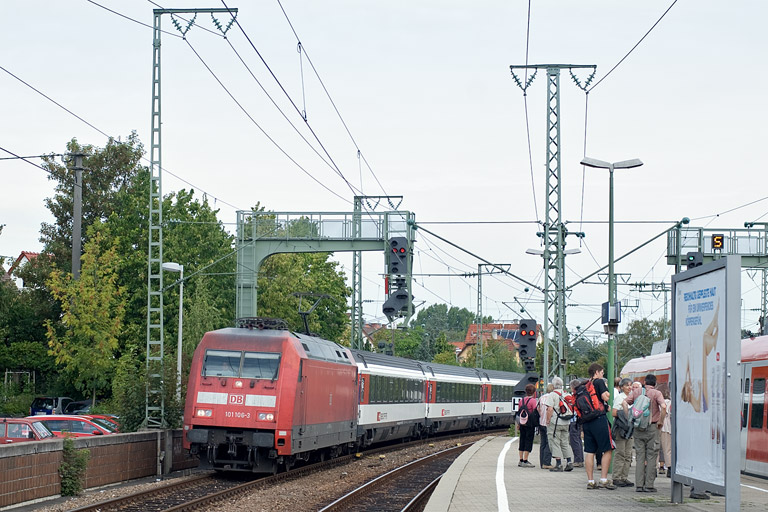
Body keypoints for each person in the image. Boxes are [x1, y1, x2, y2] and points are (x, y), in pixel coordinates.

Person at [623, 373, 667, 493]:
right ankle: (649, 485)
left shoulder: (637, 392)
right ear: (655, 383)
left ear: (645, 382)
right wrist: (661, 421)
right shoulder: (656, 393)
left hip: (638, 428)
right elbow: (663, 407)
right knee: (652, 456)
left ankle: (639, 485)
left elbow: (624, 403)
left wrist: (629, 418)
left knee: (640, 456)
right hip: (652, 427)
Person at [582, 363, 616, 490]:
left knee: (590, 451)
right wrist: (606, 390)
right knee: (608, 448)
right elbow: (605, 396)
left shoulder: (586, 384)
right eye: (602, 372)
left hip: (587, 421)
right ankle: (604, 479)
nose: (602, 374)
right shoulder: (599, 382)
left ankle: (590, 481)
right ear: (597, 372)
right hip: (599, 420)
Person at [543, 377, 574, 471]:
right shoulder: (566, 393)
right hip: (566, 421)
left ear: (553, 385)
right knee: (565, 442)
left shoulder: (552, 395)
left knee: (555, 442)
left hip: (555, 422)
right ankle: (569, 462)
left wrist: (547, 420)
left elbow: (550, 409)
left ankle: (559, 464)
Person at [611, 378, 634, 487]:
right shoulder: (620, 398)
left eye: (630, 385)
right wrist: (626, 413)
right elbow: (614, 412)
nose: (629, 387)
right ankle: (617, 477)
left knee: (628, 454)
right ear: (622, 387)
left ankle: (624, 476)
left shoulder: (633, 398)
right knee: (620, 453)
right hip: (621, 429)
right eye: (627, 385)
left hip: (630, 429)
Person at [517, 383, 538, 467]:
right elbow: (535, 412)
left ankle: (520, 460)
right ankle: (525, 461)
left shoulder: (521, 400)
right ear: (533, 392)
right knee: (528, 440)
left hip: (522, 423)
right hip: (530, 424)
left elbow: (519, 413)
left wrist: (518, 423)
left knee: (522, 440)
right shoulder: (533, 401)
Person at [568, 379, 584, 468]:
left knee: (574, 440)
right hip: (579, 419)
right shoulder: (582, 394)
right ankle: (580, 459)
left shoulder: (575, 396)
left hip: (574, 420)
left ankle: (578, 460)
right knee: (578, 440)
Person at [539, 383, 554, 469]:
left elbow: (538, 409)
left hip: (541, 422)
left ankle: (542, 462)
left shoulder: (541, 398)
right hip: (549, 423)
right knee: (549, 443)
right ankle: (547, 462)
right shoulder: (552, 398)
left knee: (543, 443)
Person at [659, 386, 672, 478]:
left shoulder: (657, 401)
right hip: (667, 427)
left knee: (655, 449)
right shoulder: (670, 403)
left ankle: (653, 469)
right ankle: (669, 468)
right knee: (667, 449)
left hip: (657, 426)